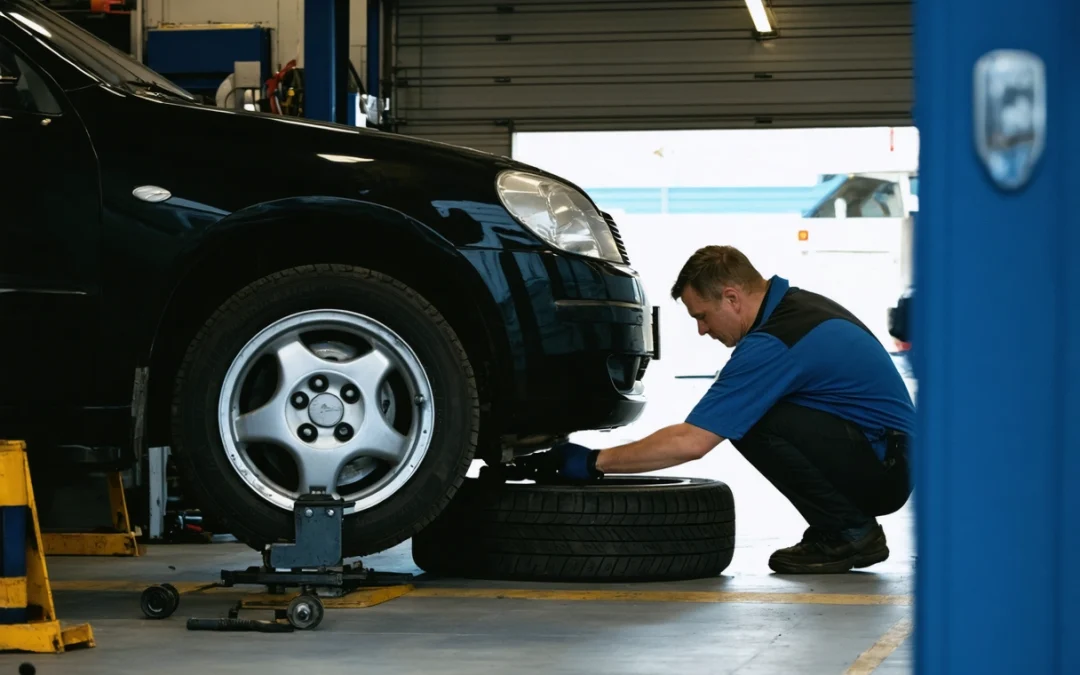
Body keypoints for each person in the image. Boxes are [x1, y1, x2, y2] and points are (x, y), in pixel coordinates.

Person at [525, 245, 915, 574]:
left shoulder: (775, 341)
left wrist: (593, 461)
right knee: (749, 414)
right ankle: (844, 526)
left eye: (701, 316)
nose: (702, 330)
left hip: (884, 469)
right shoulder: (796, 310)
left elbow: (691, 441)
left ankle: (849, 532)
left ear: (732, 297)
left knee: (750, 421)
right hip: (886, 457)